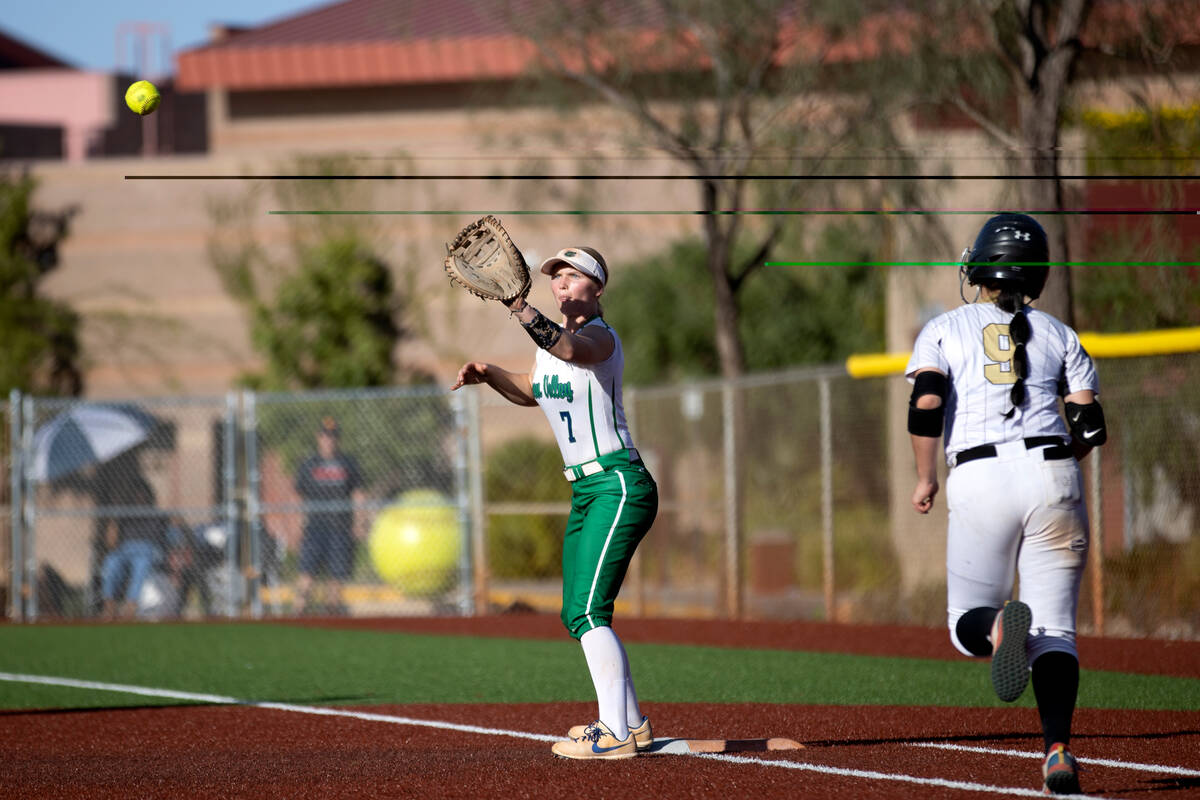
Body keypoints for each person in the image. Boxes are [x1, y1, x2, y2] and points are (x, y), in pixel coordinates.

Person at [905, 214, 1108, 795]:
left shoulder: (945, 327)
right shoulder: (1060, 333)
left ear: (982, 267)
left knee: (964, 623)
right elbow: (1090, 426)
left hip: (980, 472)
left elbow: (925, 405)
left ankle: (997, 626)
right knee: (1056, 633)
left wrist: (925, 478)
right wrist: (1057, 472)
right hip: (1055, 472)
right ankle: (1058, 753)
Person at [452, 246, 659, 760]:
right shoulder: (551, 347)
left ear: (598, 287)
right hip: (587, 490)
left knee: (589, 611)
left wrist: (520, 309)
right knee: (577, 612)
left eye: (573, 275)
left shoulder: (599, 337)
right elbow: (533, 389)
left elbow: (571, 350)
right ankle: (632, 726)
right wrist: (492, 373)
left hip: (618, 483)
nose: (562, 283)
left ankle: (613, 732)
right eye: (556, 276)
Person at [294, 416, 365, 615]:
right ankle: (297, 613)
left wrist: (359, 523)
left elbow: (358, 494)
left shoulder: (347, 463)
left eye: (333, 436)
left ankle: (331, 615)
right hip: (314, 528)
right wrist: (297, 526)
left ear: (337, 439)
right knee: (306, 574)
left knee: (336, 576)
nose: (329, 440)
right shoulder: (309, 464)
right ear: (319, 438)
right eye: (325, 436)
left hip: (340, 528)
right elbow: (299, 498)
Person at [98, 476, 170, 619]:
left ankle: (131, 606)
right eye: (136, 494)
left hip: (147, 549)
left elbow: (171, 532)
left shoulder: (156, 514)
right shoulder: (125, 515)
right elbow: (110, 544)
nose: (139, 497)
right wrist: (115, 520)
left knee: (141, 564)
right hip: (124, 550)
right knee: (111, 562)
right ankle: (109, 606)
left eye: (143, 493)